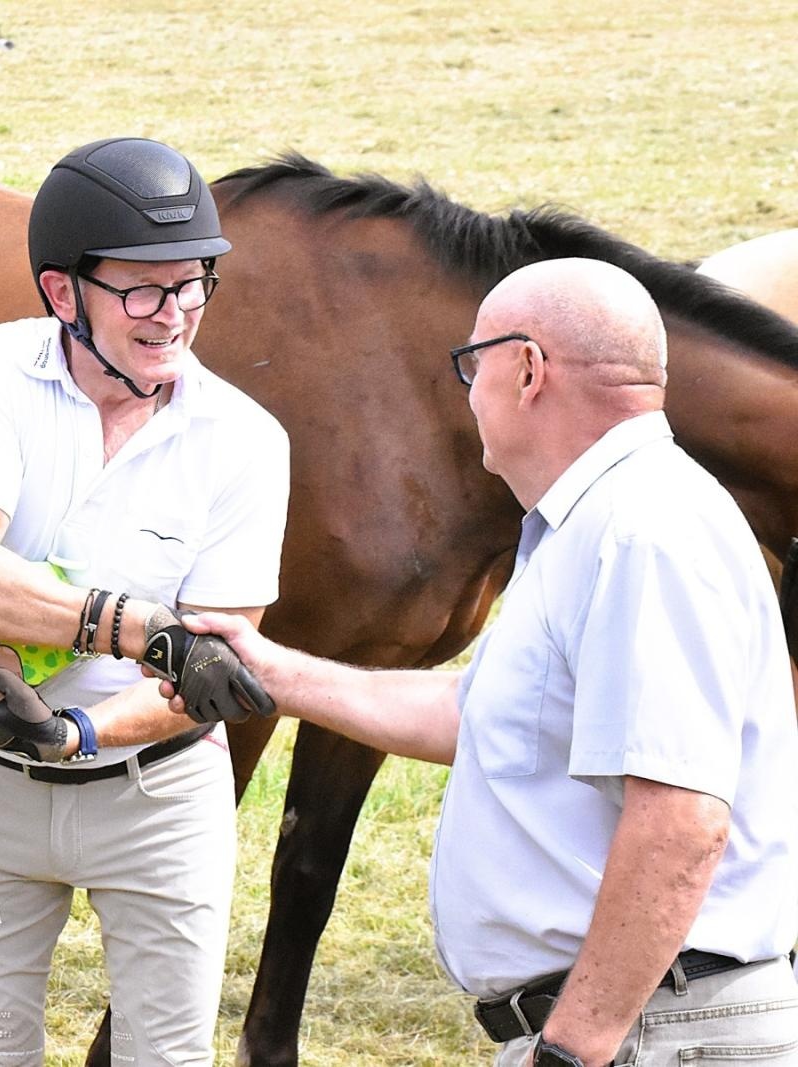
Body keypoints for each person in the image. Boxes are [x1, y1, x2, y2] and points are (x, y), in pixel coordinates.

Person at [171, 258, 798, 1067]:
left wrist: (573, 1048)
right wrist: (272, 669)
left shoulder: (643, 531)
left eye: (473, 364)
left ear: (528, 369)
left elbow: (681, 821)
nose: (466, 391)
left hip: (643, 1037)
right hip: (635, 1028)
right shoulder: (594, 522)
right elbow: (477, 712)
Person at [0, 137, 290, 1066]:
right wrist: (142, 627)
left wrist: (79, 735)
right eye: (145, 289)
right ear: (61, 292)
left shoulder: (248, 442)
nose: (178, 314)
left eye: (194, 282)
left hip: (156, 795)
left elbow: (209, 677)